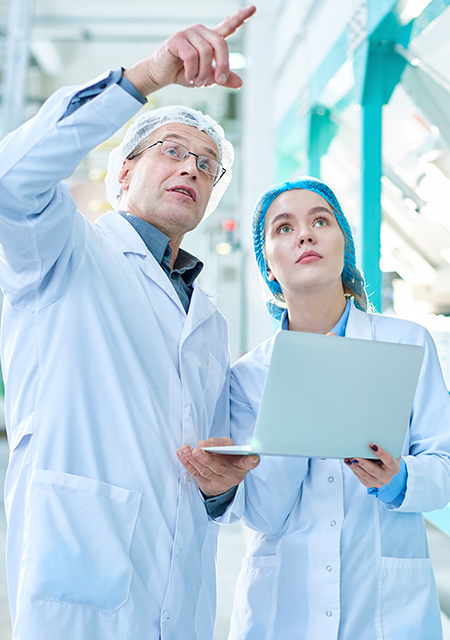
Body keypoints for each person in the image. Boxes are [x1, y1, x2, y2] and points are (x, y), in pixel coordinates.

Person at [0, 7, 259, 640]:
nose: (190, 169)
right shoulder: (63, 253)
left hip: (182, 590)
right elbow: (11, 181)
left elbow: (204, 465)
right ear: (123, 170)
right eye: (171, 151)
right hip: (80, 580)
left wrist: (221, 487)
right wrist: (145, 76)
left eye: (206, 165)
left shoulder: (209, 320)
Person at [182, 177, 450, 639]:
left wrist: (399, 481)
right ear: (268, 266)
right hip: (283, 612)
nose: (305, 235)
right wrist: (298, 404)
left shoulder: (405, 344)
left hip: (385, 613)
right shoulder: (249, 376)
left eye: (320, 221)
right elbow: (265, 515)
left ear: (343, 247)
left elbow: (448, 468)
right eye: (284, 228)